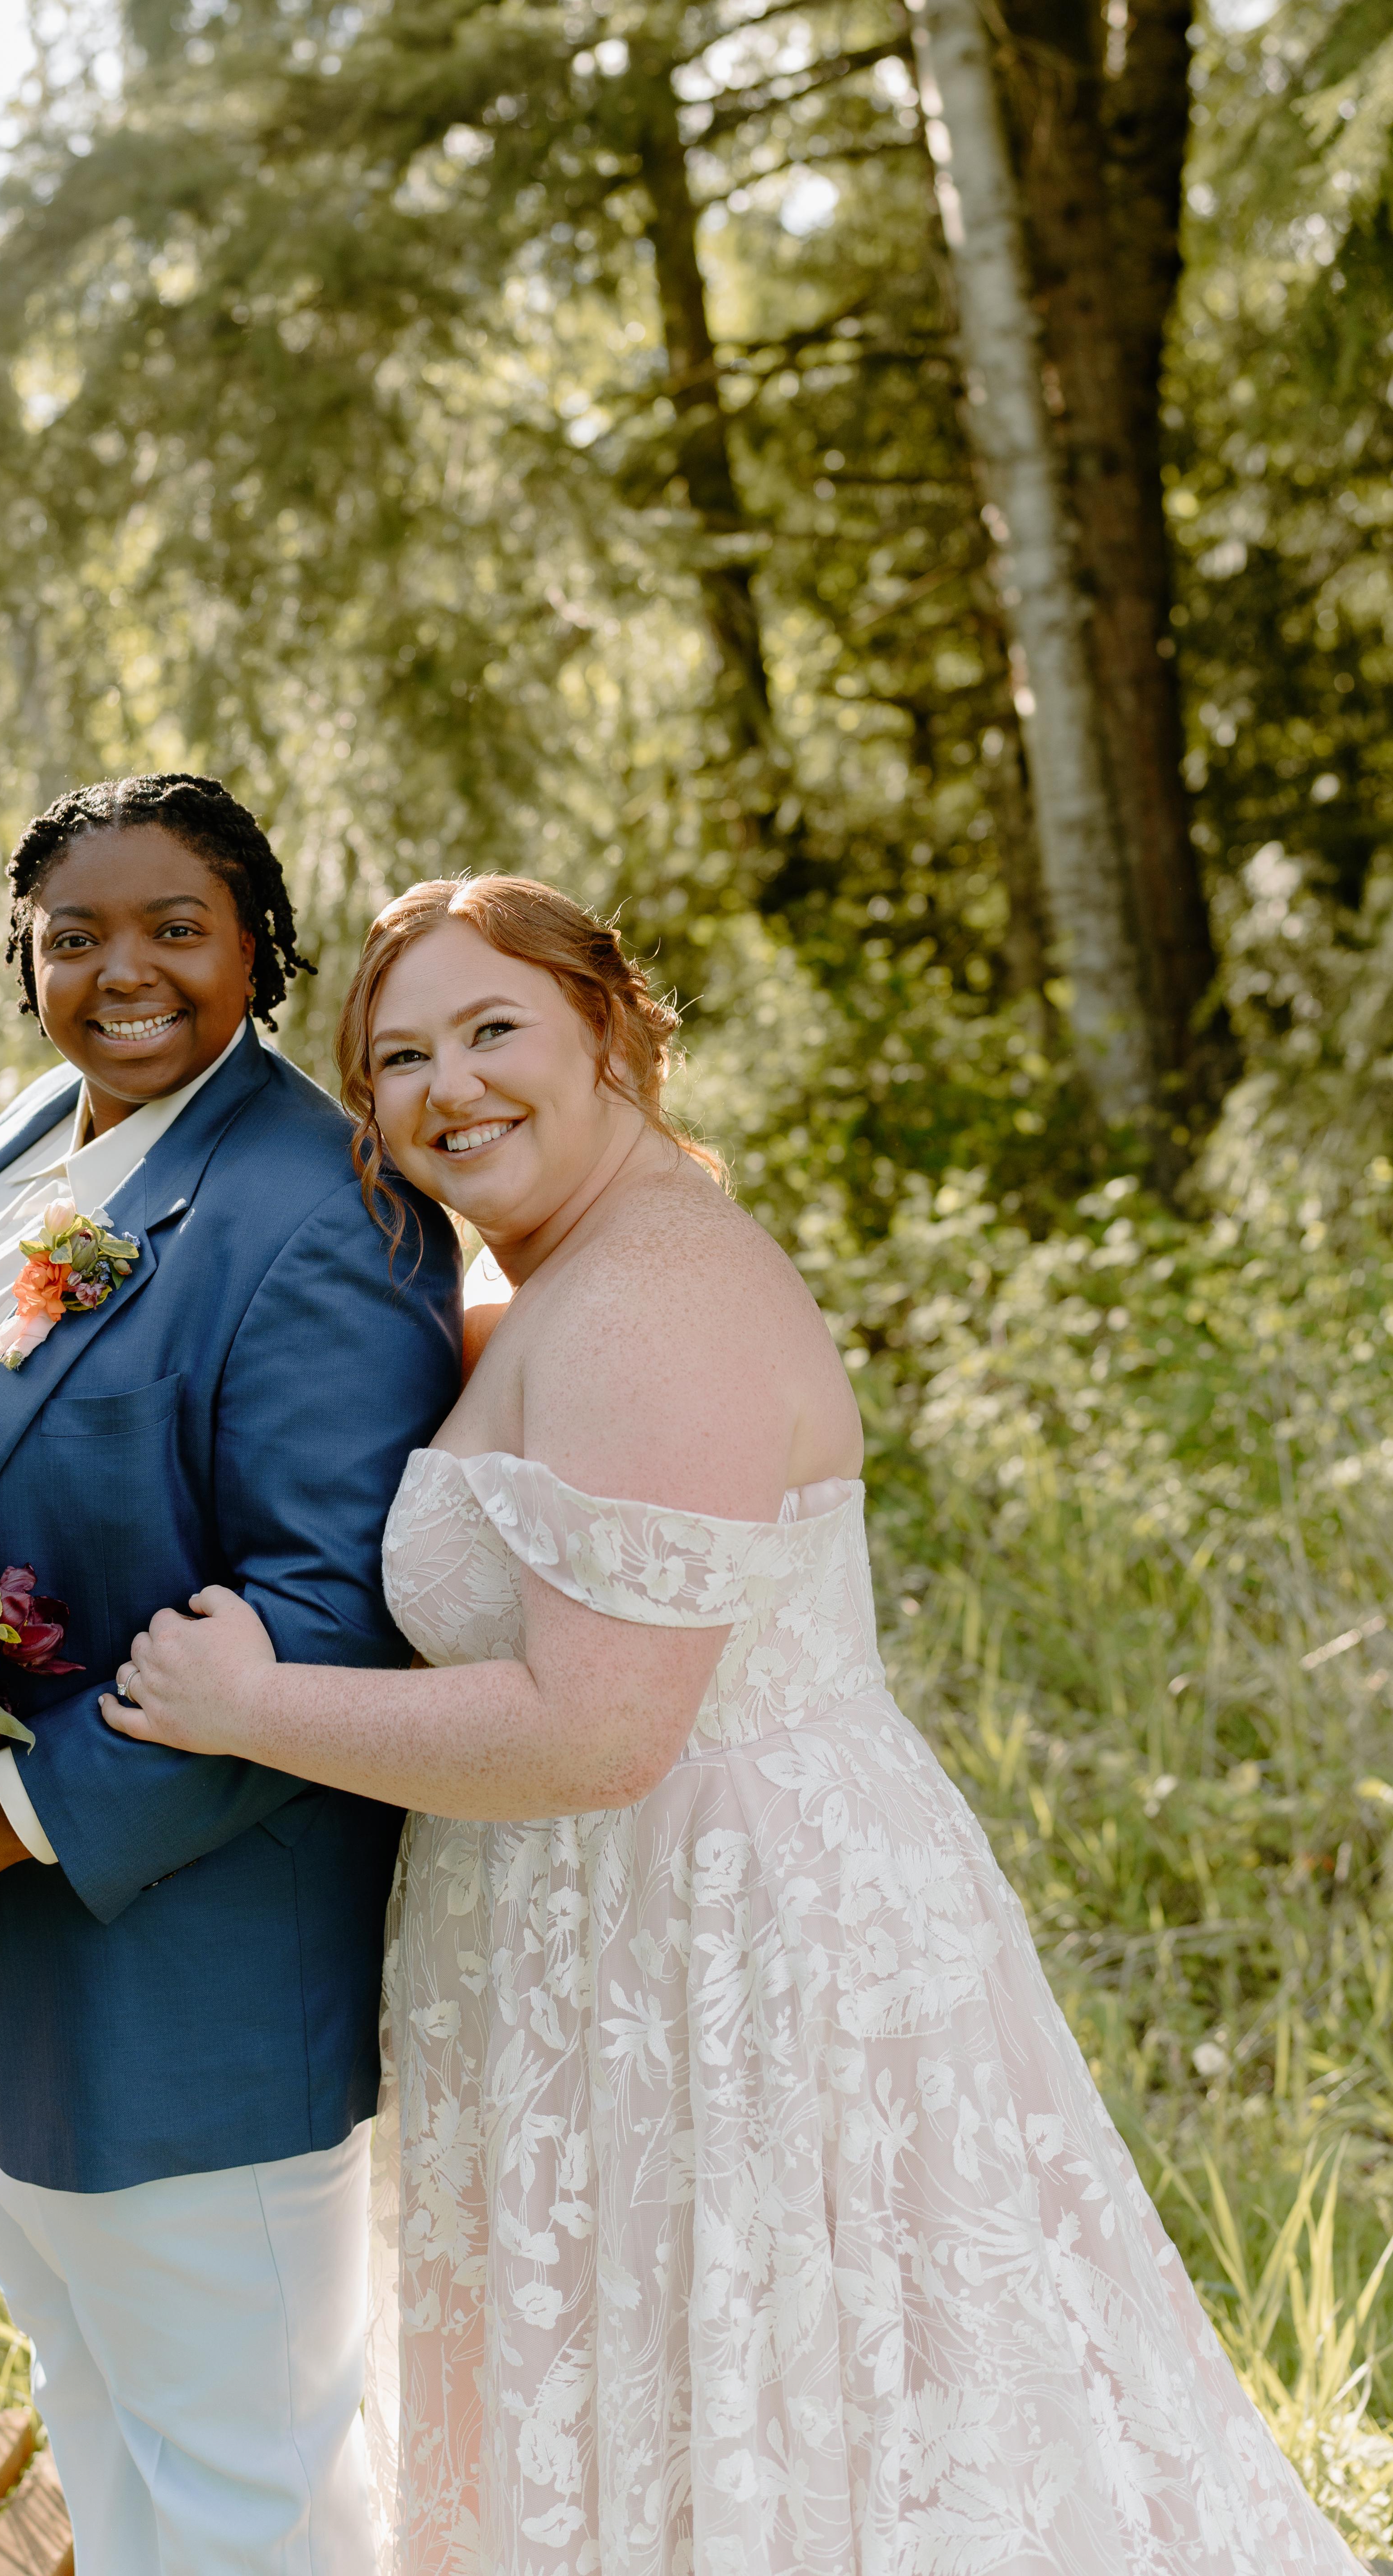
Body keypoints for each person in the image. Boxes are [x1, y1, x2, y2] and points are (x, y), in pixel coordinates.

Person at [106, 874, 1361, 2576]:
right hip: (610, 1946)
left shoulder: (655, 1297)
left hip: (725, 1957)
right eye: (399, 1058)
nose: (448, 1087)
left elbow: (599, 1733)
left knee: (811, 2436)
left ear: (612, 1036)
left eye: (494, 1030)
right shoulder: (565, 1287)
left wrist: (254, 1707)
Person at [0, 775, 462, 2576]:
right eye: (73, 936)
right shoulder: (40, 1129)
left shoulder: (327, 1213)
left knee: (252, 2491)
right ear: (24, 960)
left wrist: (1, 1814)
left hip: (188, 1970)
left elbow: (330, 1612)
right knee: (95, 2418)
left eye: (177, 928)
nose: (124, 972)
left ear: (259, 946)